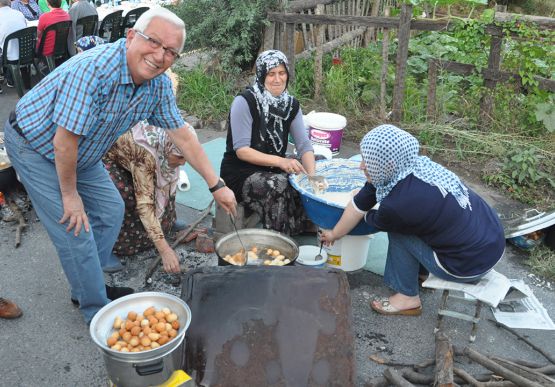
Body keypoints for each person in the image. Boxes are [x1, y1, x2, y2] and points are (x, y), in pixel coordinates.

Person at [4, 7, 237, 324]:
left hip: (83, 149)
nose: (159, 55)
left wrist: (216, 185)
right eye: (153, 42)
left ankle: (87, 284)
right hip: (35, 144)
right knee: (76, 229)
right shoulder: (94, 71)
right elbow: (64, 141)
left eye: (171, 51)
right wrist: (70, 196)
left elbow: (183, 136)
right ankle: (95, 309)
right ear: (131, 36)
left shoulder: (158, 86)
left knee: (111, 210)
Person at [320, 125, 505, 316]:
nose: (361, 166)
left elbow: (370, 217)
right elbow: (361, 202)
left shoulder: (398, 205)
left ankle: (407, 297)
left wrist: (336, 230)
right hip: (491, 241)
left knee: (400, 234)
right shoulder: (413, 165)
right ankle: (422, 272)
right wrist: (334, 234)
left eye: (367, 162)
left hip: (468, 265)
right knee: (421, 225)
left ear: (388, 163)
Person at [220, 49, 316, 235]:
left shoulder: (290, 105)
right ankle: (279, 240)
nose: (277, 79)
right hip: (241, 171)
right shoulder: (245, 102)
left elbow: (304, 145)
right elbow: (242, 151)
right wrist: (281, 161)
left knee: (315, 162)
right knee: (278, 185)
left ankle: (301, 223)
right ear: (261, 75)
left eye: (282, 73)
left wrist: (312, 178)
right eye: (271, 74)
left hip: (271, 168)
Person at [0, 0, 27, 91]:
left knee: (5, 46)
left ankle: (7, 79)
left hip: (7, 56)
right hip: (25, 53)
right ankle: (11, 79)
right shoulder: (19, 14)